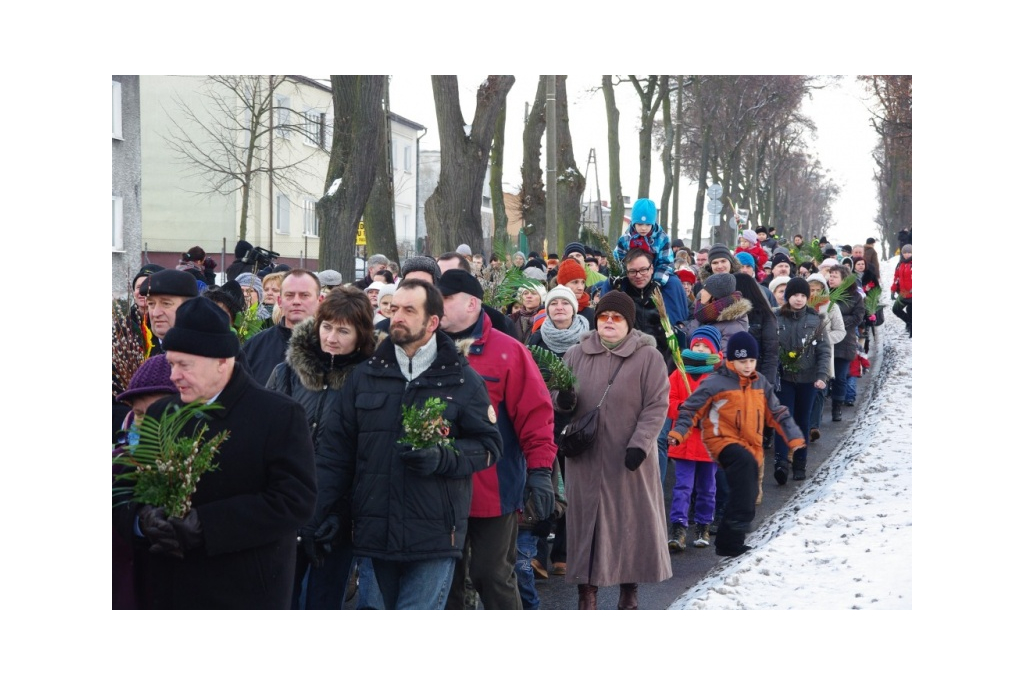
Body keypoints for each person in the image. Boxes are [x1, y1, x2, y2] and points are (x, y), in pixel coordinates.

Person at [306, 279, 504, 609]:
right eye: (394, 308)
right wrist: (320, 516)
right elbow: (336, 456)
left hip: (435, 536)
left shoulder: (461, 378)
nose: (397, 316)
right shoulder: (366, 375)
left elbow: (488, 446)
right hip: (373, 533)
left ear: (432, 322)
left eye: (409, 310)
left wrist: (442, 457)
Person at [113, 297, 317, 608]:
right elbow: (126, 486)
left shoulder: (278, 414)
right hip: (167, 588)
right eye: (171, 364)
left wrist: (207, 524)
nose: (173, 376)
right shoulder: (160, 413)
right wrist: (141, 520)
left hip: (242, 590)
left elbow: (295, 501)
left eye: (185, 365)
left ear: (223, 361)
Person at [437, 269, 557, 610]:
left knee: (492, 575)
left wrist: (540, 472)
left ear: (473, 303)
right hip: (437, 488)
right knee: (446, 583)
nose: (437, 306)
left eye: (446, 299)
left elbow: (536, 415)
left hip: (494, 489)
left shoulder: (509, 351)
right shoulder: (425, 347)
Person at [554, 291, 671, 609]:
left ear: (629, 324)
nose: (609, 322)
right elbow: (562, 401)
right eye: (604, 316)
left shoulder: (649, 357)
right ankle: (586, 594)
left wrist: (640, 445)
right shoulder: (576, 354)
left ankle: (628, 590)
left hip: (629, 459)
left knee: (627, 524)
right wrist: (563, 399)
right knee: (586, 527)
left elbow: (657, 405)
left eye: (616, 317)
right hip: (586, 459)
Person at [266, 286, 375, 610]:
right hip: (286, 512)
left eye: (343, 330)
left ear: (361, 334)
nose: (331, 337)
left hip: (337, 521)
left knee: (324, 602)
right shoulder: (287, 373)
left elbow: (369, 458)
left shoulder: (370, 381)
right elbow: (268, 443)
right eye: (327, 326)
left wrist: (342, 516)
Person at [670, 331, 804, 556]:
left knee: (728, 491)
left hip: (741, 443)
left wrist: (791, 434)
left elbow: (775, 409)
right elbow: (689, 409)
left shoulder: (758, 381)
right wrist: (681, 429)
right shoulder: (715, 380)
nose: (748, 365)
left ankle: (716, 531)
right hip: (712, 443)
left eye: (752, 361)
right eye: (743, 361)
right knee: (690, 487)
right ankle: (682, 528)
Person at [525, 284, 591, 577]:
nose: (559, 308)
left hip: (579, 423)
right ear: (547, 309)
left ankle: (562, 552)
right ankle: (537, 554)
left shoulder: (588, 340)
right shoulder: (537, 339)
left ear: (574, 309)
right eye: (554, 304)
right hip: (545, 422)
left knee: (572, 488)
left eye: (565, 303)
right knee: (544, 486)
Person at [666, 325, 722, 552]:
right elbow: (668, 401)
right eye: (696, 344)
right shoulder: (679, 373)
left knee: (707, 487)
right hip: (684, 441)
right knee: (683, 486)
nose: (699, 349)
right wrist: (684, 408)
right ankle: (678, 527)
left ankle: (703, 524)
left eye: (704, 346)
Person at [772, 278, 831, 483]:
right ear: (788, 296)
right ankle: (781, 462)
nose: (799, 299)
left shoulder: (816, 320)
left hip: (807, 379)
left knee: (802, 419)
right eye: (795, 295)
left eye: (803, 296)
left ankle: (799, 462)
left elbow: (824, 351)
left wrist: (822, 376)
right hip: (784, 378)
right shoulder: (776, 317)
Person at [242, 269, 321, 386]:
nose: (296, 301)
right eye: (289, 295)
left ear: (320, 301)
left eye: (304, 295)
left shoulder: (331, 347)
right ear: (279, 301)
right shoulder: (255, 346)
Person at [805, 273, 847, 442]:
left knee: (820, 390)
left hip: (823, 355)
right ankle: (804, 424)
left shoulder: (831, 306)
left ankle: (814, 426)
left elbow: (840, 330)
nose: (814, 293)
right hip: (803, 354)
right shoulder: (801, 305)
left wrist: (824, 339)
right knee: (806, 390)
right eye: (811, 289)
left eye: (818, 289)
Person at [140, 269, 199, 355]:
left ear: (189, 307)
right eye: (151, 304)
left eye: (166, 304)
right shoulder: (137, 349)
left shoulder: (206, 353)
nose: (155, 313)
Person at [891, 243, 912, 337]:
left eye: (909, 252)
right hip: (903, 293)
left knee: (911, 312)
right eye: (905, 252)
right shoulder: (900, 264)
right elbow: (896, 278)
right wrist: (893, 290)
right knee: (895, 309)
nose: (907, 254)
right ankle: (909, 322)